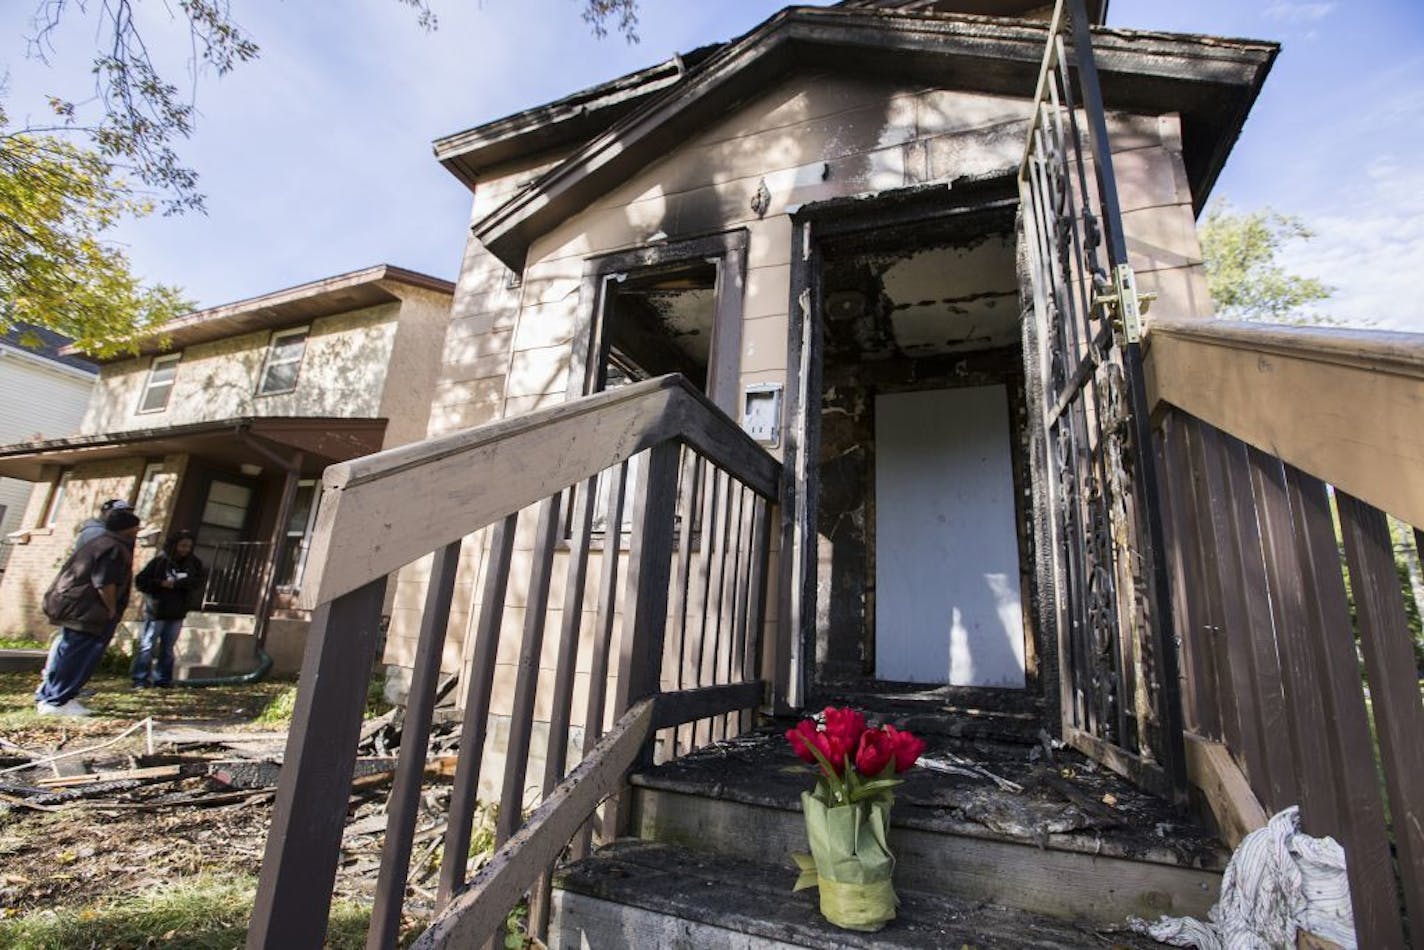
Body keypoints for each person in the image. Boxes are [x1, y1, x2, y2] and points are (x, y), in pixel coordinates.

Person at [35, 508, 141, 716]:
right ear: (127, 528)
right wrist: (111, 608)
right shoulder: (113, 548)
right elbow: (104, 581)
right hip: (88, 610)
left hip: (76, 606)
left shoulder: (99, 542)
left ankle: (50, 696)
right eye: (136, 527)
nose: (138, 531)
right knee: (80, 655)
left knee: (68, 652)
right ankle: (58, 700)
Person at [131, 530, 205, 688]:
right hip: (157, 610)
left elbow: (197, 582)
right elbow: (141, 581)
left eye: (189, 546)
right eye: (182, 546)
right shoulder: (160, 561)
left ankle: (163, 679)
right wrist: (161, 584)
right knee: (147, 645)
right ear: (174, 545)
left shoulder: (194, 563)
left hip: (177, 611)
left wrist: (179, 584)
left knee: (168, 647)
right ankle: (140, 679)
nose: (185, 549)